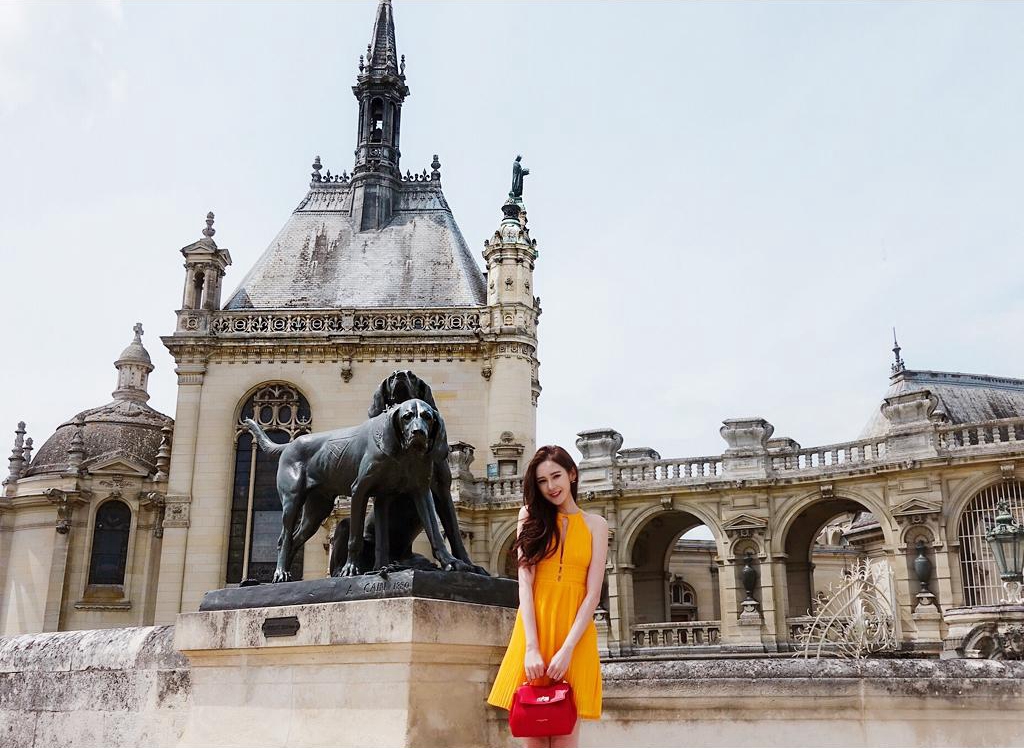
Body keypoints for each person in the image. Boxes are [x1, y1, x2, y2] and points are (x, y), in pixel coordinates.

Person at [487, 445, 609, 747]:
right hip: (534, 633)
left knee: (567, 736)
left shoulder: (597, 525)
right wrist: (531, 647)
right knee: (535, 735)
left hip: (576, 637)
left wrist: (567, 649)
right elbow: (525, 585)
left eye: (556, 476)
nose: (551, 486)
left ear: (572, 474)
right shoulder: (529, 516)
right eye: (542, 481)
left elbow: (592, 593)